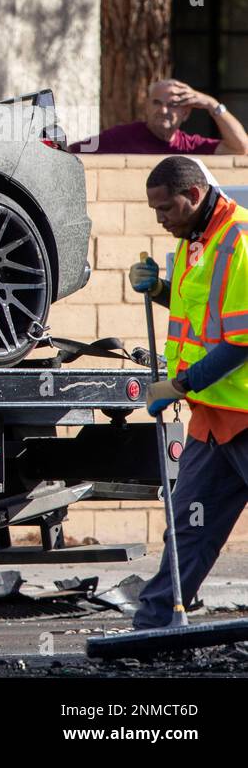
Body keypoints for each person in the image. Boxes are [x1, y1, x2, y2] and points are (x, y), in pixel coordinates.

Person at [128, 155, 248, 630]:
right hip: (214, 417)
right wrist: (159, 288)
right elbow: (200, 313)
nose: (160, 219)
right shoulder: (197, 240)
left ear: (194, 196)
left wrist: (177, 385)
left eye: (165, 208)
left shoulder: (239, 240)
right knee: (189, 526)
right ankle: (155, 625)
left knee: (189, 525)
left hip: (243, 413)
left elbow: (241, 340)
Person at [70, 79, 248, 155]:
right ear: (147, 107)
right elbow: (71, 152)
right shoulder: (122, 136)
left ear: (185, 114)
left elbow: (241, 148)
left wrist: (212, 104)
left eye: (172, 105)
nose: (163, 110)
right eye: (157, 103)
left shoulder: (190, 146)